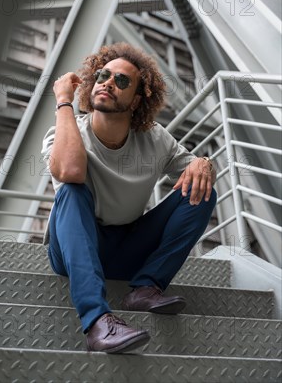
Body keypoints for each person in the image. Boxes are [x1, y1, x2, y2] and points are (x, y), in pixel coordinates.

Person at [41, 42, 217, 354]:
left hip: (127, 247)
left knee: (201, 192)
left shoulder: (155, 139)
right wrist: (64, 103)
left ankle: (147, 286)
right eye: (102, 76)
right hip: (75, 248)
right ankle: (97, 321)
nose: (108, 82)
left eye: (121, 81)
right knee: (71, 190)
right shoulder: (66, 131)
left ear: (136, 100)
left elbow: (193, 169)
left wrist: (204, 163)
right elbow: (69, 170)